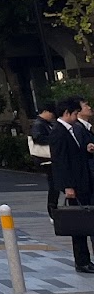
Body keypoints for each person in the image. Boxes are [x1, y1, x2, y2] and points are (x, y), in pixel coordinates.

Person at [50, 96, 94, 274]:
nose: (77, 117)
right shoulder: (59, 132)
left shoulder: (68, 130)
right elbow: (60, 162)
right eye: (75, 113)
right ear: (67, 113)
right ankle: (82, 261)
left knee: (83, 222)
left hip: (82, 182)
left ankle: (85, 260)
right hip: (73, 186)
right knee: (78, 224)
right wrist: (67, 186)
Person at [33, 103, 59, 214]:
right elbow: (37, 138)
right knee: (54, 185)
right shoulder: (39, 124)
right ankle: (52, 209)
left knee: (55, 185)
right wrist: (53, 139)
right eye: (52, 113)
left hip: (48, 159)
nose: (53, 116)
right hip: (46, 159)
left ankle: (53, 208)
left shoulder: (46, 123)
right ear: (45, 111)